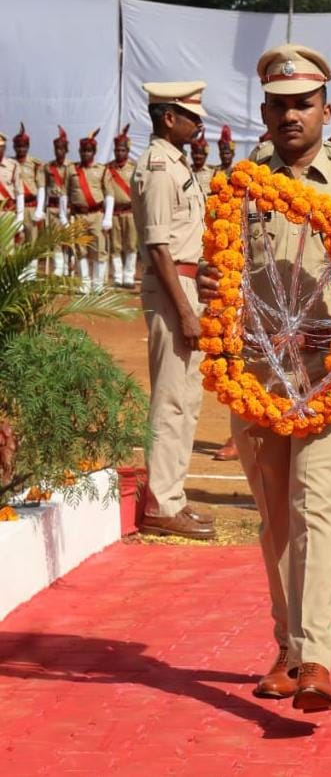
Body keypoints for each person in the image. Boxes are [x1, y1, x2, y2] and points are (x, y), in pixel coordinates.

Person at [199, 44, 331, 712]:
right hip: (255, 368)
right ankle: (286, 645)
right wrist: (208, 279)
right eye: (279, 104)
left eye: (303, 104)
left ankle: (316, 656)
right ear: (264, 110)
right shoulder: (235, 184)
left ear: (326, 110)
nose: (291, 115)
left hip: (323, 367)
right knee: (273, 512)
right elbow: (216, 268)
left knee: (314, 499)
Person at [130, 81, 215, 541]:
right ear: (168, 118)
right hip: (172, 286)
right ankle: (162, 503)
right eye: (190, 116)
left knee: (186, 397)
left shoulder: (176, 163)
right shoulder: (160, 167)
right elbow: (159, 247)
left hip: (185, 283)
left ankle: (173, 498)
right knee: (170, 397)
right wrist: (184, 311)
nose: (198, 124)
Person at [61, 129, 109, 293]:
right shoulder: (71, 169)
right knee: (80, 250)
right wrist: (63, 218)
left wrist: (107, 217)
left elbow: (109, 195)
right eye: (83, 151)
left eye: (89, 151)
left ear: (94, 152)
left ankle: (97, 284)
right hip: (78, 215)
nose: (86, 154)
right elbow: (64, 194)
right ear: (79, 152)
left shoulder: (102, 169)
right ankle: (85, 283)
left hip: (96, 215)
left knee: (99, 249)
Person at [103, 125, 138, 289]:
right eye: (117, 150)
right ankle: (118, 276)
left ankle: (129, 276)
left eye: (122, 150)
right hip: (114, 213)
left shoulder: (134, 167)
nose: (119, 153)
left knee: (131, 245)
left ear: (128, 151)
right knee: (116, 246)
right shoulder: (108, 168)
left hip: (130, 212)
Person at [12, 122, 44, 277]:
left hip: (31, 207)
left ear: (28, 147)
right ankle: (18, 273)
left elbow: (41, 187)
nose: (21, 149)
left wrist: (39, 209)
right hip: (15, 208)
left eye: (24, 146)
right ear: (14, 148)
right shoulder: (9, 163)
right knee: (17, 241)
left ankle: (30, 274)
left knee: (31, 242)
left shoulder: (35, 164)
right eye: (18, 147)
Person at [43, 127, 71, 276]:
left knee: (67, 238)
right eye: (56, 149)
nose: (58, 151)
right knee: (55, 238)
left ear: (66, 150)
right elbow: (45, 186)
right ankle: (59, 267)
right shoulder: (48, 167)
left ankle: (68, 265)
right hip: (52, 207)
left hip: (67, 208)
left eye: (61, 149)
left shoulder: (71, 167)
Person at [0, 132, 24, 242]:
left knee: (8, 249)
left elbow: (19, 193)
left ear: (4, 148)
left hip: (7, 212)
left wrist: (20, 219)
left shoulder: (13, 165)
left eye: (1, 147)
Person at [190, 127, 214, 199]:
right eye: (195, 153)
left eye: (201, 154)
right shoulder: (187, 171)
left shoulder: (212, 173)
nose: (198, 156)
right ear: (191, 154)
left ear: (205, 155)